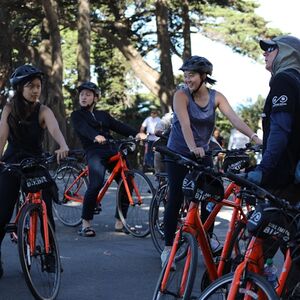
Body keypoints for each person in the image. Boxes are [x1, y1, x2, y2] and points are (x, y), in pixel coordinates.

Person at [161, 55, 262, 266]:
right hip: (179, 152)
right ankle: (168, 247)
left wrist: (254, 137)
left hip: (202, 152)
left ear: (204, 76)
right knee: (176, 196)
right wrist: (191, 148)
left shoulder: (216, 97)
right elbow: (185, 124)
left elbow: (234, 119)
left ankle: (206, 239)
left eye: (192, 76)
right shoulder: (181, 95)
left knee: (210, 198)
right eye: (186, 75)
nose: (187, 80)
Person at [0, 64, 69, 279]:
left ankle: (50, 254)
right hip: (12, 161)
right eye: (30, 86)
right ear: (20, 88)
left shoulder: (43, 110)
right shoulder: (9, 108)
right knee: (3, 209)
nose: (35, 90)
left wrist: (63, 145)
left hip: (36, 161)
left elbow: (55, 128)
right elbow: (2, 134)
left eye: (38, 86)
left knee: (45, 205)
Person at [246, 36, 300, 297]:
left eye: (270, 49)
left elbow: (280, 130)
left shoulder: (284, 80)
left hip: (282, 177)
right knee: (293, 243)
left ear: (287, 53)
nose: (265, 53)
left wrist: (263, 169)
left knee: (264, 235)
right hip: (294, 176)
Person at [71, 81, 146, 237]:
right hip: (94, 151)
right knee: (96, 184)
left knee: (128, 180)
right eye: (82, 94)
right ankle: (86, 223)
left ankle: (120, 221)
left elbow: (118, 126)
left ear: (95, 98)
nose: (84, 97)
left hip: (111, 149)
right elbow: (83, 129)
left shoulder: (102, 115)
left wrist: (136, 134)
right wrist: (95, 136)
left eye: (88, 94)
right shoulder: (77, 115)